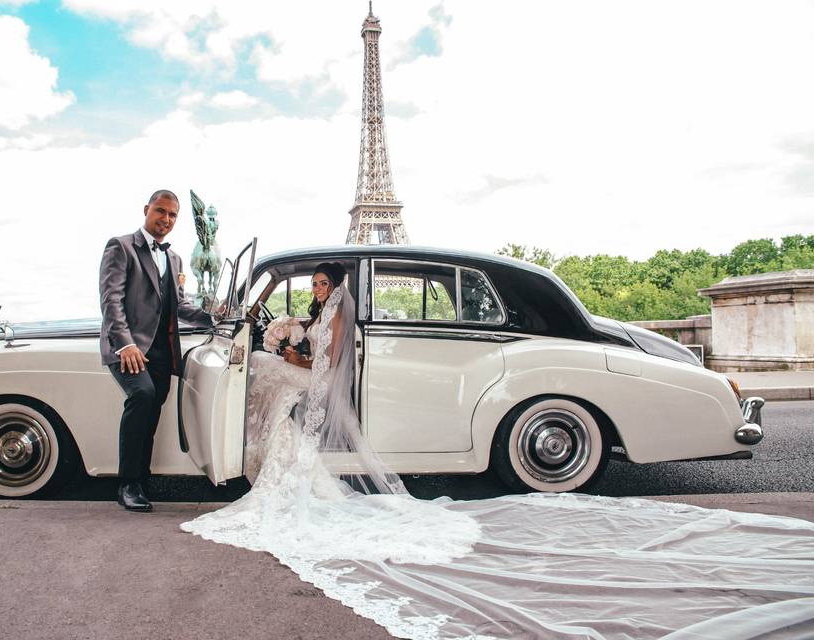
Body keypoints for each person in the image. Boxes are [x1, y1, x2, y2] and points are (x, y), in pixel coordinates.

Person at [183, 262, 814, 639]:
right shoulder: (327, 306)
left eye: (320, 281)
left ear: (330, 287)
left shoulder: (337, 310)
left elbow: (327, 352)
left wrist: (290, 346)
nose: (316, 287)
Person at [100, 189, 213, 512]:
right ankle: (128, 484)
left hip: (163, 352)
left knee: (151, 414)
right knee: (142, 397)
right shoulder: (121, 247)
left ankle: (142, 480)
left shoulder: (174, 258)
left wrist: (215, 316)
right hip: (130, 348)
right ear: (147, 209)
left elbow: (180, 305)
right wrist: (126, 344)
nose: (166, 219)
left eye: (172, 215)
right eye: (160, 212)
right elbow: (112, 301)